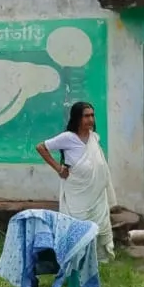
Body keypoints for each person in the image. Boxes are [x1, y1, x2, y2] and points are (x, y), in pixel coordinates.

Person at [36, 101, 117, 262]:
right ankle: (75, 259)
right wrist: (59, 168)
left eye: (92, 115)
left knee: (97, 225)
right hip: (77, 192)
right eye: (86, 116)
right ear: (77, 118)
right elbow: (41, 147)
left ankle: (94, 260)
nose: (90, 119)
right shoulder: (68, 138)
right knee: (77, 225)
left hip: (97, 193)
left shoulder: (94, 137)